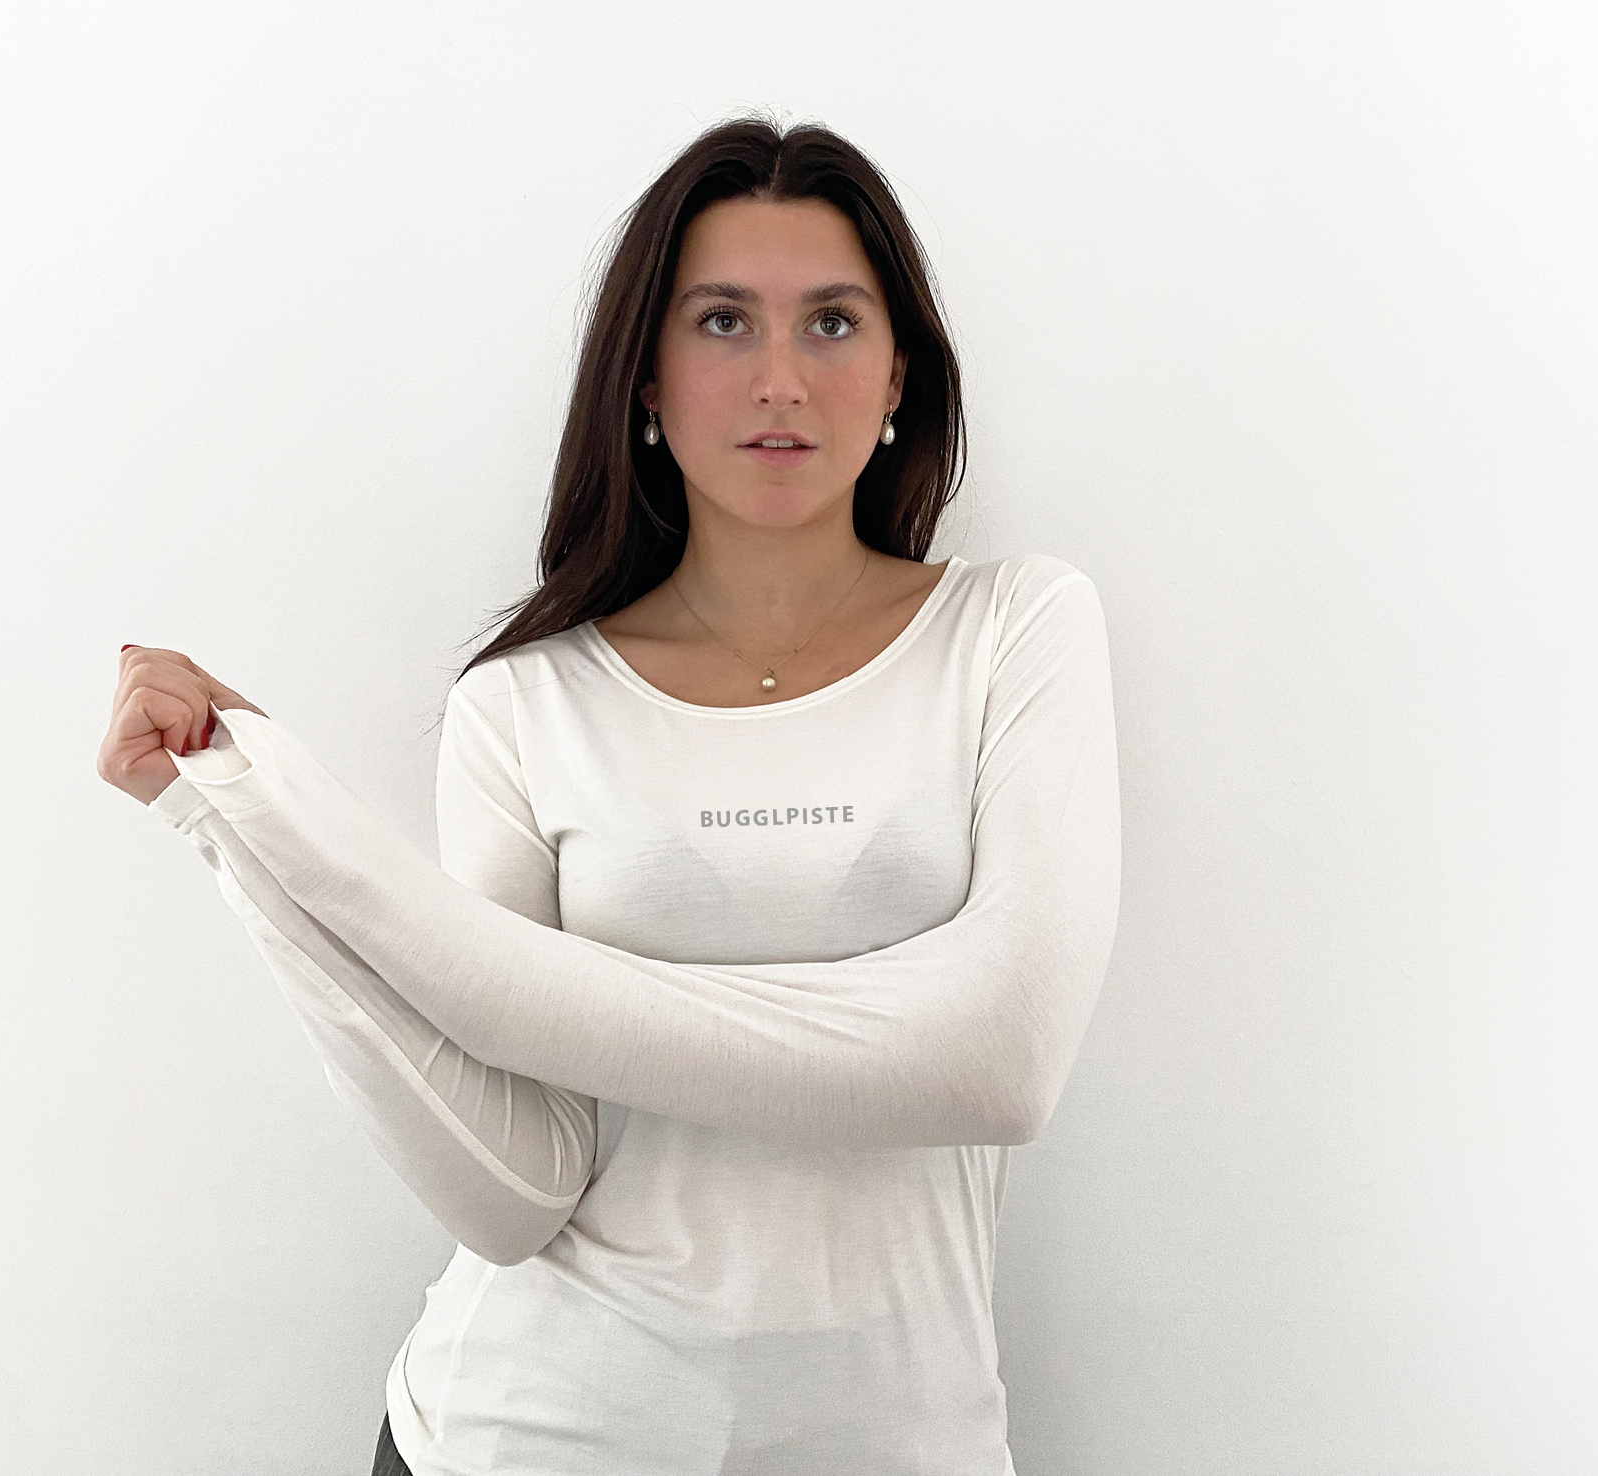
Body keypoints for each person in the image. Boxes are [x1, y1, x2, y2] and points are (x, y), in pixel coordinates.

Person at [95, 115, 1122, 1476]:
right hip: (528, 1435)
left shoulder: (1014, 630)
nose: (778, 379)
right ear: (645, 375)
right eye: (721, 322)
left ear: (898, 378)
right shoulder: (523, 703)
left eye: (830, 323)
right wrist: (251, 831)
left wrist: (497, 978)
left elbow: (1000, 1061)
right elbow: (514, 1192)